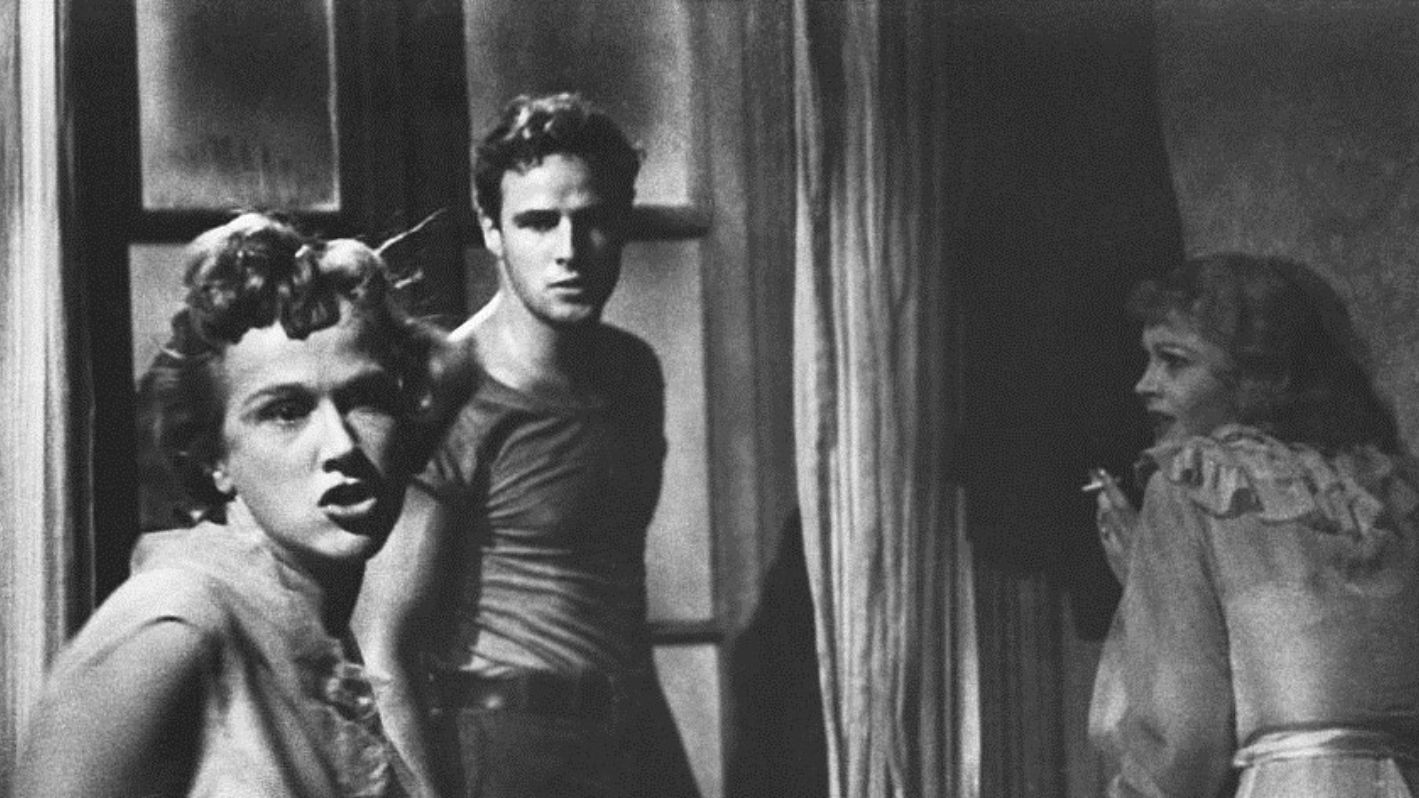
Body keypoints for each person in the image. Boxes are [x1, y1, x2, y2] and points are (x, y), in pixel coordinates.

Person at [16, 212, 460, 797]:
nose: (341, 447)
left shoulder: (308, 623)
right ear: (213, 460)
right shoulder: (174, 626)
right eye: (285, 412)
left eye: (365, 399)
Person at [355, 93, 699, 797]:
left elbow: (617, 602)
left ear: (622, 224)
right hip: (504, 744)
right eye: (538, 222)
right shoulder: (446, 391)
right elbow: (383, 650)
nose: (569, 251)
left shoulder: (634, 374)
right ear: (492, 229)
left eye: (593, 220)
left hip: (628, 735)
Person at [1088, 253, 1419, 797]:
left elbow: (1187, 745)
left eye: (1174, 361)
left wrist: (1147, 586)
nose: (1144, 384)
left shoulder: (1190, 486)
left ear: (1256, 377)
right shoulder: (1390, 490)